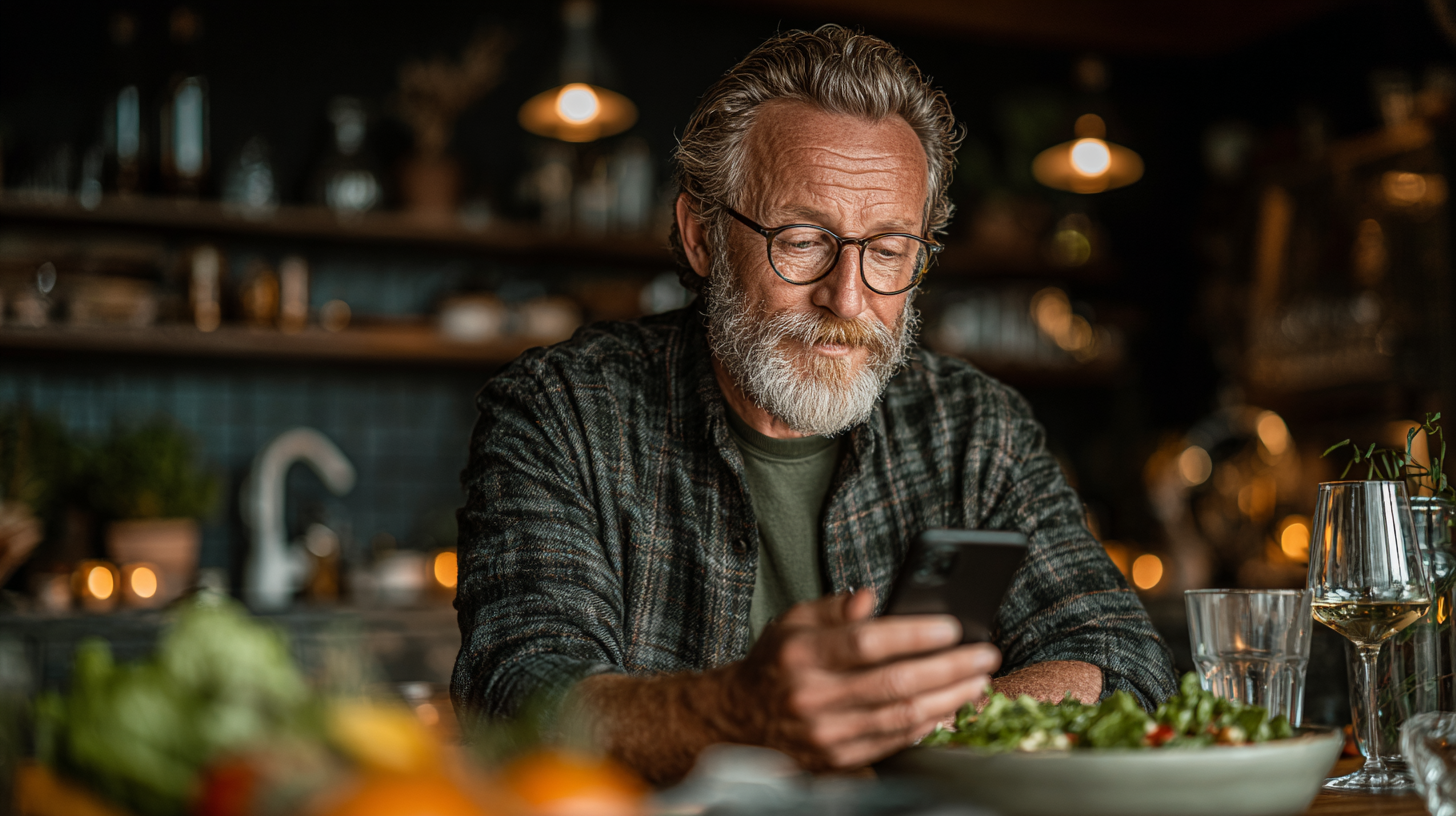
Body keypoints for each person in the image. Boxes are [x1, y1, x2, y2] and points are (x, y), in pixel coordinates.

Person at [452, 25, 1177, 784]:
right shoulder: (561, 412)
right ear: (702, 237)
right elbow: (519, 698)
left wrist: (918, 723)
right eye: (802, 240)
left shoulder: (976, 428)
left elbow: (1119, 654)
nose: (848, 297)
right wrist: (739, 713)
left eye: (889, 250)